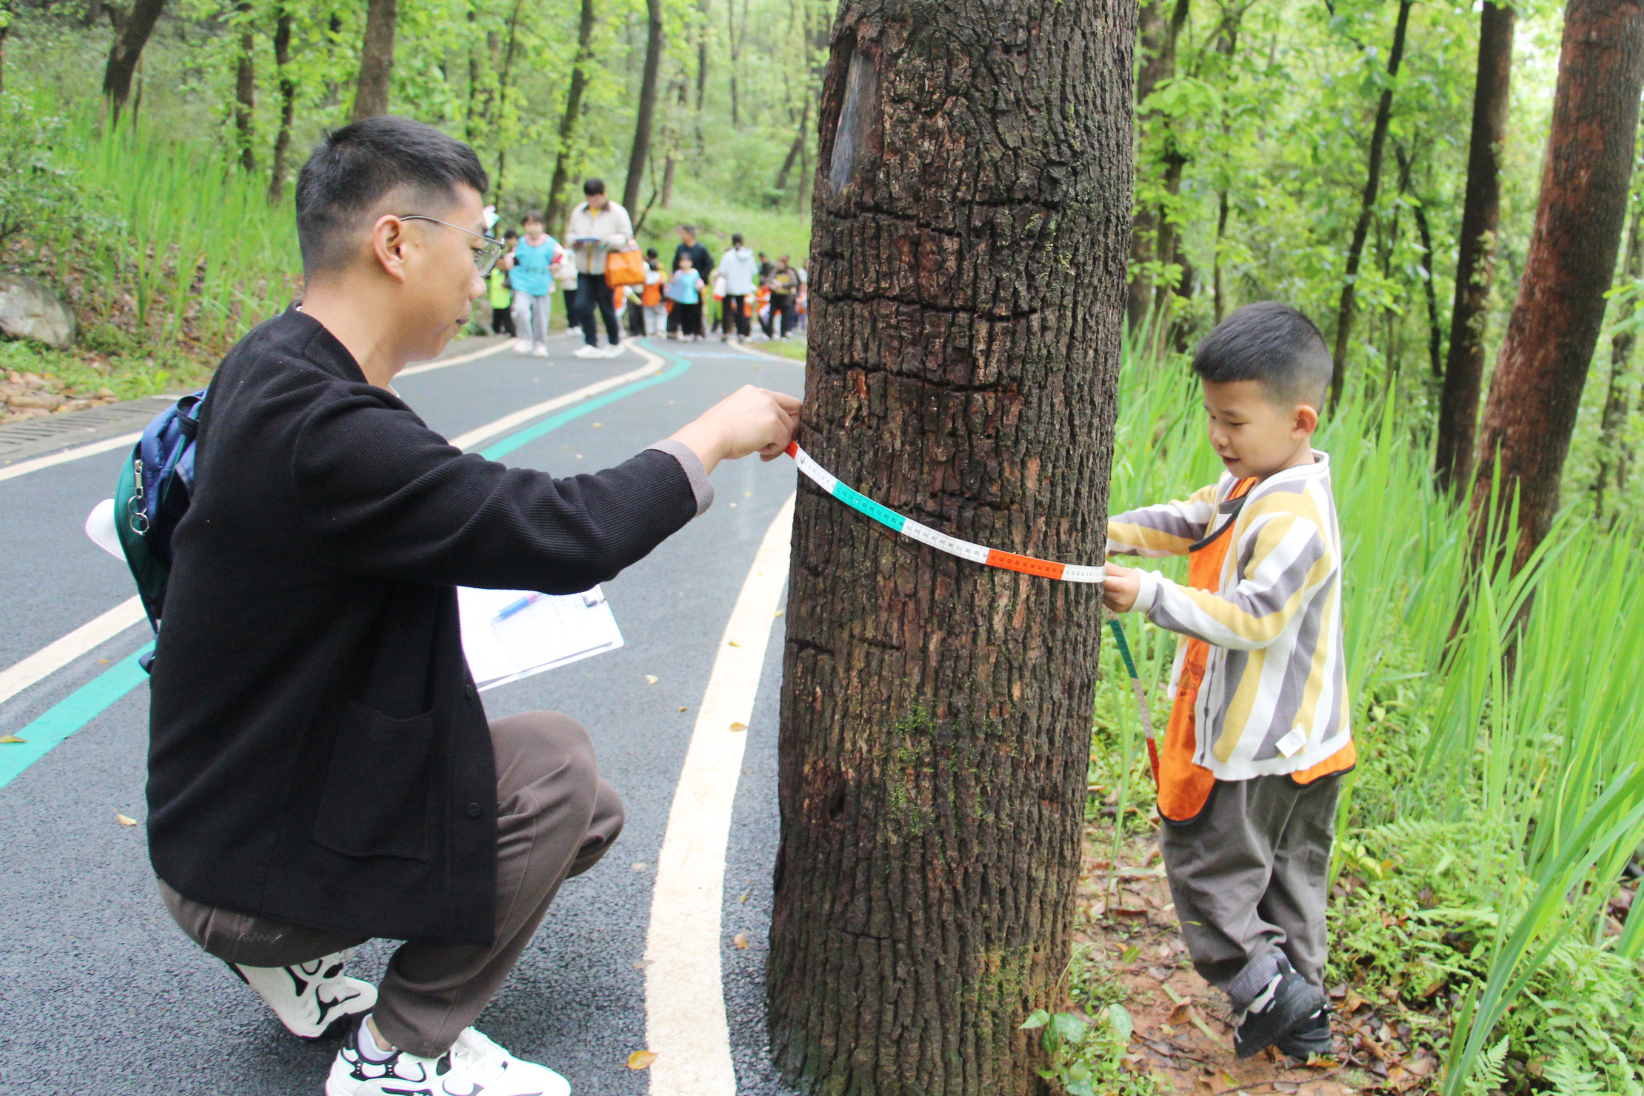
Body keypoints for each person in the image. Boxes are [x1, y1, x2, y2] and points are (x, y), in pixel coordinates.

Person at [146, 115, 802, 1096]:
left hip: (219, 818)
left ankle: (290, 954)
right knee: (555, 775)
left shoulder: (270, 364)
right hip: (241, 859)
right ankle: (399, 1053)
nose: (483, 272)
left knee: (588, 815)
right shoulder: (327, 428)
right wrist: (712, 432)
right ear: (397, 242)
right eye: (478, 241)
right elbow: (568, 532)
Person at [1102, 302, 1354, 1063]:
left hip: (1259, 744)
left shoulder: (1295, 517)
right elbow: (1192, 519)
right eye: (1213, 416)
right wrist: (1102, 529)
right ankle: (1304, 1023)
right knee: (1289, 882)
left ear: (1299, 419)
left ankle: (1268, 988)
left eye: (1234, 421)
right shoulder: (1256, 480)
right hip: (1310, 739)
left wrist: (1148, 595)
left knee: (1208, 868)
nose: (1219, 435)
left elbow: (1255, 618)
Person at [565, 177, 632, 359]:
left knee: (606, 307)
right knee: (582, 305)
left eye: (596, 198)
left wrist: (608, 240)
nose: (593, 202)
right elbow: (570, 235)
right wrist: (575, 242)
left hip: (606, 267)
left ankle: (614, 342)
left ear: (604, 195)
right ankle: (591, 343)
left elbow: (626, 236)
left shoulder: (617, 212)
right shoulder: (579, 211)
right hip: (584, 266)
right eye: (590, 198)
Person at [510, 211, 561, 358]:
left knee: (541, 317)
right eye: (529, 224)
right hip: (523, 283)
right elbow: (514, 258)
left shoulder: (551, 244)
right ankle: (525, 338)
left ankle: (540, 343)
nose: (532, 228)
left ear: (543, 226)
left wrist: (556, 266)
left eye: (536, 224)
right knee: (520, 309)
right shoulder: (521, 243)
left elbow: (560, 258)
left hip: (542, 284)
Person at [718, 233, 758, 342]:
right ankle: (741, 332)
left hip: (729, 285)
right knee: (741, 309)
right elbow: (754, 271)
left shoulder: (728, 255)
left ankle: (726, 331)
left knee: (726, 309)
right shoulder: (749, 255)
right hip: (743, 286)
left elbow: (722, 271)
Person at [666, 255, 707, 340]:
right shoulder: (678, 273)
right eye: (682, 261)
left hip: (692, 298)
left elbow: (698, 282)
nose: (684, 264)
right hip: (681, 299)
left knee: (694, 316)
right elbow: (675, 284)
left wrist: (700, 287)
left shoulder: (695, 272)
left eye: (686, 261)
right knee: (684, 317)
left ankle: (695, 332)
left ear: (691, 262)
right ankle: (686, 333)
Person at [486, 229, 517, 339]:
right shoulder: (493, 272)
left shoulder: (507, 272)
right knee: (496, 316)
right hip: (496, 298)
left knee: (506, 315)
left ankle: (511, 331)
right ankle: (497, 330)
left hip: (505, 298)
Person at [768, 254, 800, 338]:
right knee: (771, 314)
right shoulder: (775, 271)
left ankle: (784, 333)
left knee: (785, 316)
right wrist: (772, 285)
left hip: (785, 297)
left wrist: (782, 285)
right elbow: (769, 280)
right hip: (775, 296)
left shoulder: (789, 271)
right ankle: (770, 333)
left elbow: (794, 282)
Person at [641, 248, 667, 337]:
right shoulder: (659, 278)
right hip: (657, 299)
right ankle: (660, 330)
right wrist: (663, 299)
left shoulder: (645, 278)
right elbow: (662, 289)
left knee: (648, 316)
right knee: (661, 315)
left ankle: (650, 331)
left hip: (647, 300)